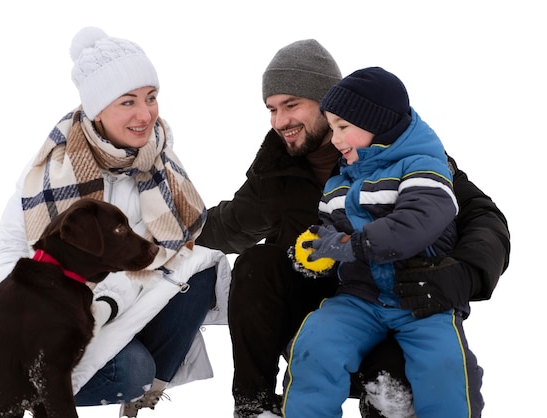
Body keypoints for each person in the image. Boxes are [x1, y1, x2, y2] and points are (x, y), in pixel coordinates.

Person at [196, 40, 510, 418]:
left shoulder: (412, 159)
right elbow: (224, 226)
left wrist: (466, 272)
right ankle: (255, 407)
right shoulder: (277, 171)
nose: (279, 121)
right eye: (272, 109)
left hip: (402, 307)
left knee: (403, 377)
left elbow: (483, 217)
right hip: (334, 314)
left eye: (291, 105)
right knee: (257, 262)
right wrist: (149, 234)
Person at [0, 27, 231, 417]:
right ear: (96, 109)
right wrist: (26, 321)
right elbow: (12, 246)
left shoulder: (161, 165)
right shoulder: (53, 170)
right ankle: (36, 392)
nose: (145, 114)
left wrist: (111, 302)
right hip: (59, 313)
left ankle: (147, 391)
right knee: (131, 369)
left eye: (151, 98)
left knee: (201, 266)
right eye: (128, 101)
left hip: (126, 305)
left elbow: (176, 246)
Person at [284, 66, 475, 418]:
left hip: (422, 298)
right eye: (332, 127)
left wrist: (351, 245)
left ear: (378, 123)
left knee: (445, 369)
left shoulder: (423, 167)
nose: (336, 138)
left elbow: (415, 224)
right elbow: (328, 231)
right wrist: (314, 251)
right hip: (360, 298)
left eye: (343, 127)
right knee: (315, 344)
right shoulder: (339, 183)